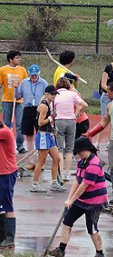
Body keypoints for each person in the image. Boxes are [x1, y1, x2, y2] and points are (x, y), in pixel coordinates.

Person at [48, 137, 107, 257]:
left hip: (95, 201)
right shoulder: (81, 162)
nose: (77, 155)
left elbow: (84, 186)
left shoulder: (94, 163)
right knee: (67, 222)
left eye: (78, 152)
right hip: (82, 199)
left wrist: (72, 199)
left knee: (92, 228)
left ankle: (99, 253)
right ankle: (61, 250)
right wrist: (69, 199)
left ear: (85, 150)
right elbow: (77, 181)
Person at [30, 85, 66, 193]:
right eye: (52, 94)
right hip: (42, 136)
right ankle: (35, 184)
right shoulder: (44, 106)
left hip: (48, 135)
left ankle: (54, 183)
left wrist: (52, 128)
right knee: (41, 161)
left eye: (55, 94)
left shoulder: (49, 105)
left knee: (57, 158)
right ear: (46, 94)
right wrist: (51, 117)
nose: (54, 96)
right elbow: (40, 123)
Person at [54, 77, 88, 181]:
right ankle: (66, 173)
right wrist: (77, 114)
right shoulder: (72, 94)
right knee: (69, 148)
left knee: (59, 148)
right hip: (71, 121)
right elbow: (85, 105)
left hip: (59, 120)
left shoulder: (55, 94)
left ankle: (59, 172)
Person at [15, 64, 48, 154]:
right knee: (29, 134)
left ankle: (39, 155)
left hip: (39, 109)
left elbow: (48, 97)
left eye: (35, 74)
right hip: (28, 109)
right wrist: (16, 88)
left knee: (40, 133)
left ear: (39, 73)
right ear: (29, 73)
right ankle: (30, 158)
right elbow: (17, 97)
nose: (33, 76)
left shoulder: (44, 83)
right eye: (32, 74)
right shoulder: (24, 82)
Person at [0, 50, 28, 154]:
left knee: (20, 124)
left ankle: (20, 146)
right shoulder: (2, 70)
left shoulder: (22, 70)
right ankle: (7, 145)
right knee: (6, 124)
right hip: (7, 100)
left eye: (19, 57)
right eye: (17, 57)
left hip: (19, 101)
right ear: (10, 59)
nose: (19, 59)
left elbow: (26, 84)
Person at [0, 120, 18, 249]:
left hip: (6, 173)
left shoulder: (5, 132)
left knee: (7, 204)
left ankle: (9, 238)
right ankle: (2, 237)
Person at [64, 73, 90, 140]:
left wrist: (75, 116)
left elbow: (82, 106)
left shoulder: (73, 92)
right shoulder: (69, 91)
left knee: (74, 144)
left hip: (81, 123)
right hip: (77, 123)